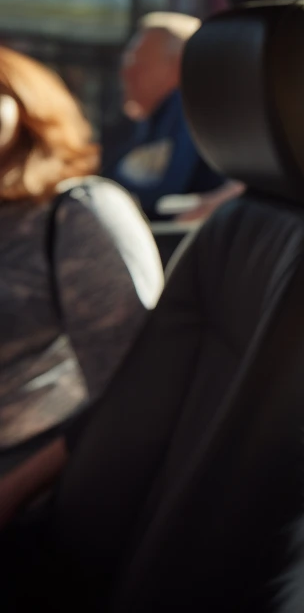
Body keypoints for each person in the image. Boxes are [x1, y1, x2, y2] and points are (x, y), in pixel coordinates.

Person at [0, 47, 157, 493]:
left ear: (30, 110)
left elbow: (132, 394)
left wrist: (12, 491)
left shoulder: (78, 213)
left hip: (26, 470)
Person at [102, 12, 241, 222]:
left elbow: (161, 196)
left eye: (138, 64)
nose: (126, 74)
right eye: (126, 64)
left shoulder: (188, 111)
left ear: (179, 65)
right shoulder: (148, 121)